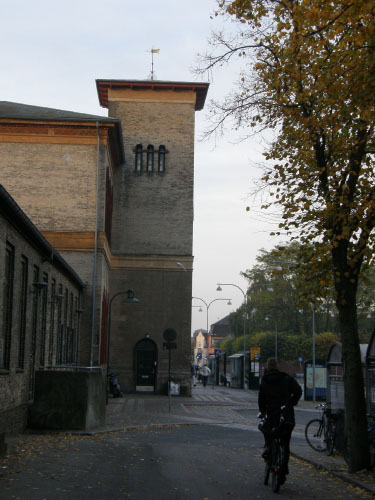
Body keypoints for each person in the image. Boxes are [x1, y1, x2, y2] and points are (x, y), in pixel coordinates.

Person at [258, 357, 302, 483]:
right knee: (285, 443)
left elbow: (261, 399)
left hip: (271, 415)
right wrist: (291, 403)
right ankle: (283, 468)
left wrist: (262, 411)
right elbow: (298, 391)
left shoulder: (265, 380)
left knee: (269, 435)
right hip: (285, 415)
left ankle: (269, 452)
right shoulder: (287, 378)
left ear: (267, 366)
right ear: (277, 366)